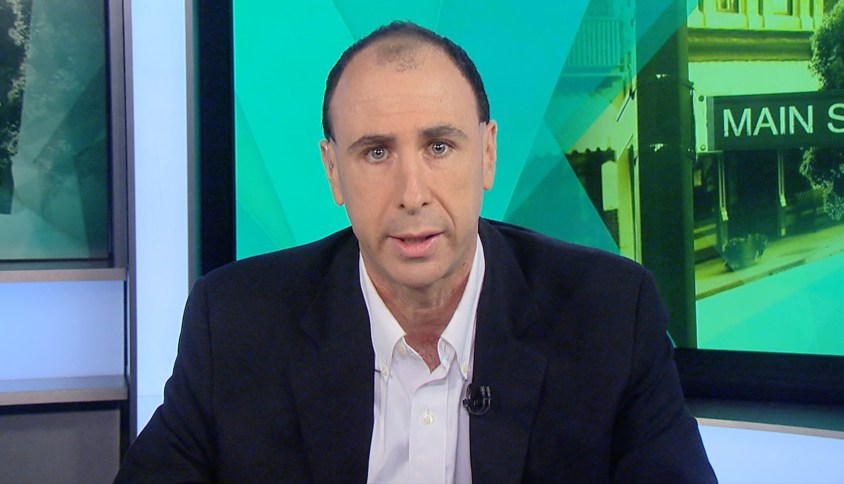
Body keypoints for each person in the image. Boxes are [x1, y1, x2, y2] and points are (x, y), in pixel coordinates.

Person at [117, 21, 716, 483]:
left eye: (439, 147)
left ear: (487, 154)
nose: (412, 194)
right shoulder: (236, 322)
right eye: (376, 152)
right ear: (333, 171)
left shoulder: (609, 314)